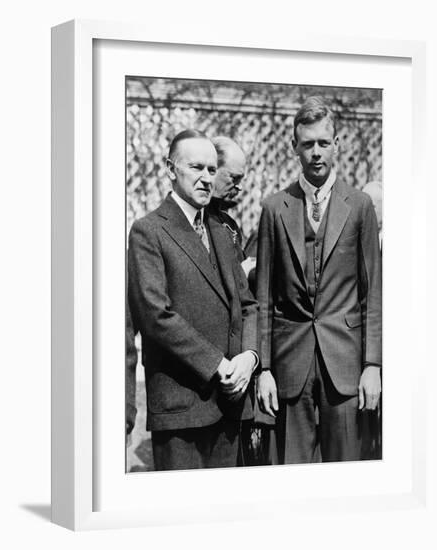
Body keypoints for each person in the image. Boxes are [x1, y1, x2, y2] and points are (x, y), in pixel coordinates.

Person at [256, 97, 382, 463]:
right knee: (291, 470)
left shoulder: (359, 206)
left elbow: (372, 293)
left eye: (323, 144)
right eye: (307, 144)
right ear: (294, 147)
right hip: (289, 364)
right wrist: (264, 369)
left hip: (344, 363)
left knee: (345, 471)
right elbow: (263, 296)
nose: (316, 153)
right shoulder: (273, 208)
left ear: (337, 144)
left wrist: (372, 365)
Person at [127, 129, 259, 471]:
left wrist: (249, 356)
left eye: (212, 170)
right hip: (181, 409)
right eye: (196, 167)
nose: (205, 178)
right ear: (171, 169)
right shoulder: (149, 231)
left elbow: (247, 305)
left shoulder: (221, 230)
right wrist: (218, 365)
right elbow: (156, 315)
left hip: (230, 404)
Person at [209, 136, 256, 281]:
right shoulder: (192, 220)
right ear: (212, 170)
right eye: (234, 178)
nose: (239, 187)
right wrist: (241, 273)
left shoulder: (229, 223)